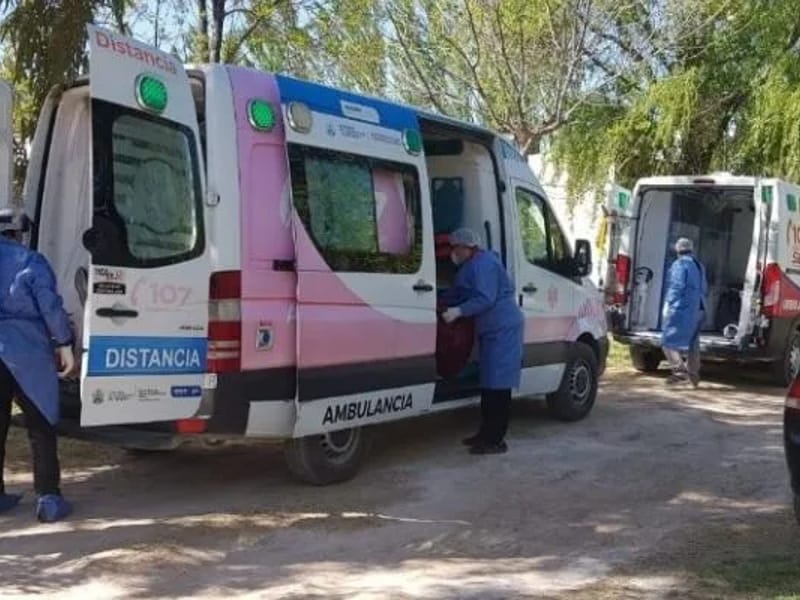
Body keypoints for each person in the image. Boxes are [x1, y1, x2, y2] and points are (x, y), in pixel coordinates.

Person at [0, 208, 75, 521]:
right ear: (19, 232)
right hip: (28, 352)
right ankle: (48, 498)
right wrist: (64, 342)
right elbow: (50, 305)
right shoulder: (30, 261)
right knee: (40, 424)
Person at [440, 228, 524, 455]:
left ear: (468, 247)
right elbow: (460, 290)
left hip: (503, 328)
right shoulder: (471, 265)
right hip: (491, 329)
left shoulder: (484, 264)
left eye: (456, 248)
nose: (454, 252)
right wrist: (442, 300)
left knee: (499, 387)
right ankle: (485, 433)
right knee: (488, 384)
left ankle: (496, 440)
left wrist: (459, 311)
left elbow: (485, 298)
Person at [662, 237, 707, 388]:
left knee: (667, 341)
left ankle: (680, 372)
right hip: (699, 309)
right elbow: (704, 288)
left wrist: (669, 304)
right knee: (693, 343)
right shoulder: (698, 265)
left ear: (677, 250)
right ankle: (693, 377)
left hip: (683, 309)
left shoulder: (680, 264)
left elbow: (677, 286)